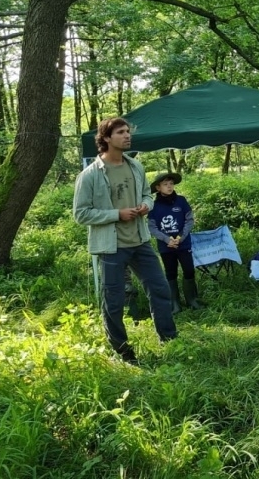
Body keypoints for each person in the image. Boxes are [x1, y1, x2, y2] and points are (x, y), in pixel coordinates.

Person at [73, 117, 177, 365]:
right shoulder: (89, 175)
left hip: (140, 241)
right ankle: (121, 351)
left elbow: (146, 195)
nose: (127, 136)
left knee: (160, 288)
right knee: (115, 300)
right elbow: (81, 214)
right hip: (111, 246)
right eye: (121, 132)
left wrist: (145, 205)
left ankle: (171, 340)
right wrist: (116, 215)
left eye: (128, 131)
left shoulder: (136, 166)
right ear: (106, 138)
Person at [147, 172, 204, 314]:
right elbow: (152, 227)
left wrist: (180, 237)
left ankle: (192, 300)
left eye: (171, 183)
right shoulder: (154, 206)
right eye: (165, 184)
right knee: (170, 273)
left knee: (189, 270)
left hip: (183, 244)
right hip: (166, 247)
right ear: (158, 188)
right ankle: (175, 304)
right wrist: (167, 239)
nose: (169, 186)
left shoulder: (181, 201)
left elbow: (189, 220)